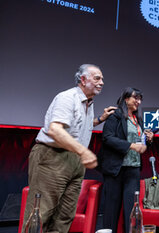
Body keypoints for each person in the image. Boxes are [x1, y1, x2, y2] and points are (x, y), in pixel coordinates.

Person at [22, 64, 116, 233]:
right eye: (97, 78)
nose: (102, 82)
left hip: (75, 162)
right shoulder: (67, 97)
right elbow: (55, 130)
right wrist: (83, 151)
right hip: (53, 157)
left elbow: (76, 125)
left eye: (102, 79)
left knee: (64, 217)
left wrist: (100, 119)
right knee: (40, 214)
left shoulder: (88, 103)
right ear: (83, 79)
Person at [98, 87, 154, 233]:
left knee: (132, 210)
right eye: (136, 98)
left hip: (133, 169)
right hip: (116, 169)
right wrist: (131, 146)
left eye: (140, 99)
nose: (139, 101)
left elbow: (140, 143)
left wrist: (148, 139)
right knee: (111, 210)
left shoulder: (139, 119)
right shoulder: (115, 115)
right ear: (126, 98)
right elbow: (107, 138)